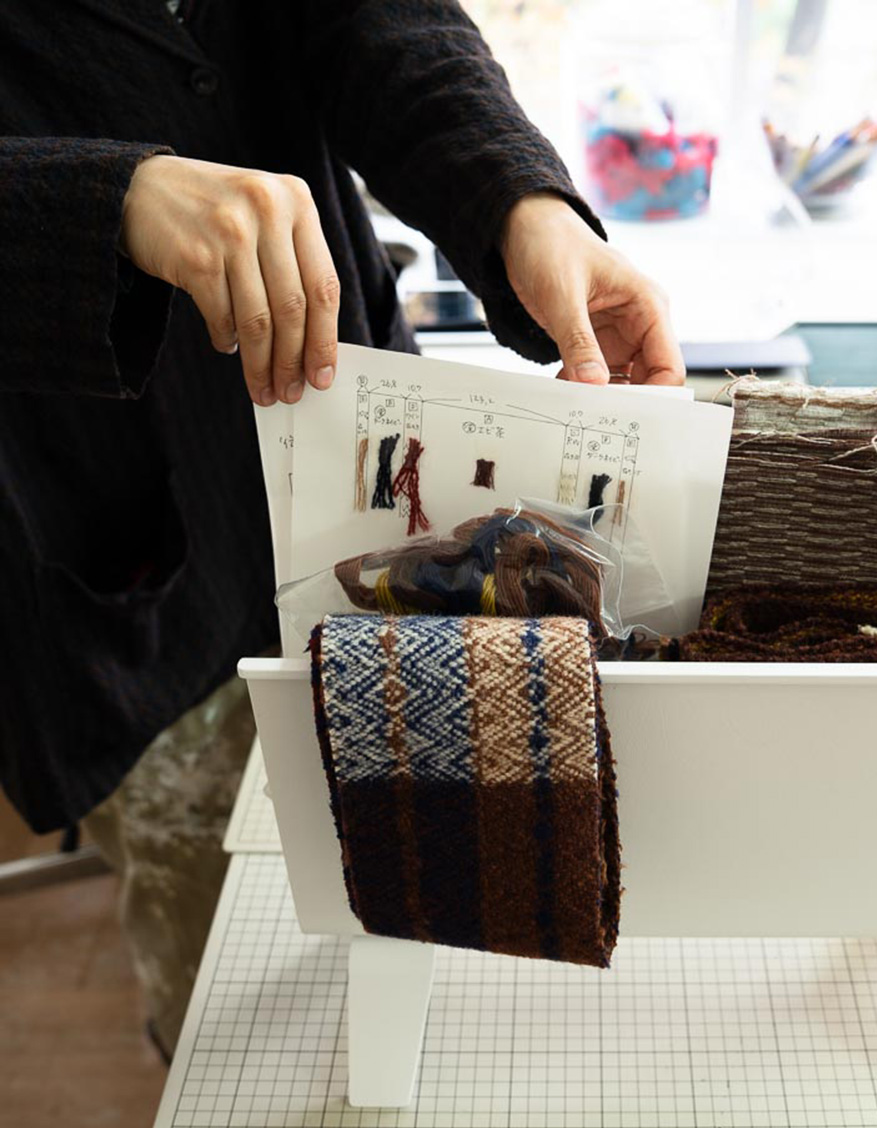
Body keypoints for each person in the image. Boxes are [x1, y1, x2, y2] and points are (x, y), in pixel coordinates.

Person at [0, 0, 684, 1054]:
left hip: (362, 455)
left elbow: (377, 20)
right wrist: (103, 200)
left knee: (446, 897)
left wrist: (523, 204)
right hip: (116, 536)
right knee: (237, 1009)